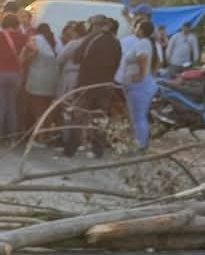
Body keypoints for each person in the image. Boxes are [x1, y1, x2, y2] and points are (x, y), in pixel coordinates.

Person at [65, 14, 121, 158]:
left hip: (86, 85)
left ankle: (71, 149)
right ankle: (98, 150)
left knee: (77, 116)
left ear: (95, 26)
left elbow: (76, 58)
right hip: (105, 86)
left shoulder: (90, 39)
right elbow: (117, 64)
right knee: (99, 118)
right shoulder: (116, 42)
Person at [0, 13, 27, 146]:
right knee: (12, 107)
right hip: (16, 74)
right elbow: (34, 49)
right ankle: (12, 139)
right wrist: (23, 60)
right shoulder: (23, 37)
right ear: (16, 24)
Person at [123, 19, 158, 152]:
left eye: (137, 27)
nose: (134, 29)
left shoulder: (143, 42)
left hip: (140, 85)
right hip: (144, 83)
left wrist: (140, 76)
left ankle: (140, 145)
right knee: (139, 116)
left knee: (138, 116)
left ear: (142, 30)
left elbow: (142, 58)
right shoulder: (148, 43)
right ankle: (141, 142)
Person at [22, 21, 58, 136]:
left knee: (37, 108)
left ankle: (40, 136)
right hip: (51, 79)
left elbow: (33, 50)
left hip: (37, 78)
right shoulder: (53, 42)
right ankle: (48, 134)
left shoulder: (35, 39)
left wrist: (27, 58)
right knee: (47, 109)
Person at [56, 21, 87, 100]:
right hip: (83, 76)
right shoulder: (89, 42)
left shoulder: (74, 43)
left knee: (66, 99)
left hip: (71, 75)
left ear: (76, 32)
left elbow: (59, 59)